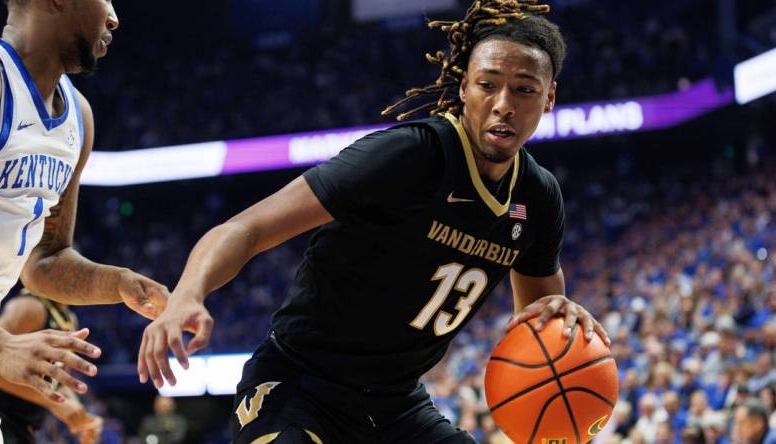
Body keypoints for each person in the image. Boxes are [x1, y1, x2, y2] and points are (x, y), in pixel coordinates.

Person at [139, 0, 610, 443]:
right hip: (300, 386)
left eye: (524, 89)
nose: (504, 103)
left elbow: (541, 327)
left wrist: (565, 322)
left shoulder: (539, 197)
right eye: (488, 84)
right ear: (464, 86)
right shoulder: (408, 155)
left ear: (549, 97)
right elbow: (247, 228)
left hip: (396, 405)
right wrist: (187, 294)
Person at [0, 0, 169, 439]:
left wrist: (121, 283)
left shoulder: (78, 118)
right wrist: (0, 345)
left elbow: (45, 260)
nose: (114, 17)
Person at [0, 290, 102, 444]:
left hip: (22, 427)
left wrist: (78, 413)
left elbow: (56, 383)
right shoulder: (30, 307)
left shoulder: (69, 318)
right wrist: (53, 402)